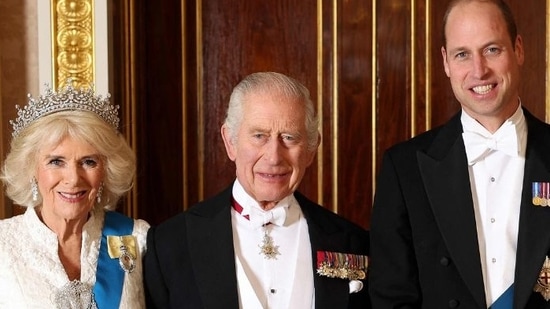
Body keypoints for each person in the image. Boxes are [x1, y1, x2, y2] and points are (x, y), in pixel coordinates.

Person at [369, 0, 550, 307]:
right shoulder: (404, 168)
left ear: (518, 49)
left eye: (492, 49)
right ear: (446, 62)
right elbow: (391, 298)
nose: (479, 71)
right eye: (462, 54)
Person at [144, 71, 370, 308]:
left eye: (289, 138)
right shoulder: (171, 243)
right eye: (259, 136)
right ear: (230, 141)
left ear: (311, 149)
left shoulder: (352, 242)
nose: (273, 157)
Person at [0, 81, 150, 308]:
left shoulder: (137, 238)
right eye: (56, 161)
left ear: (106, 170)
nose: (73, 178)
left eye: (89, 162)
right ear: (32, 169)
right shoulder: (3, 245)